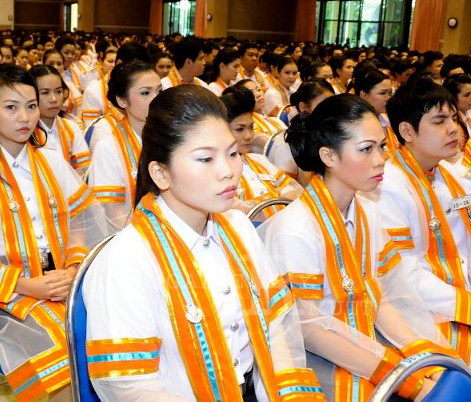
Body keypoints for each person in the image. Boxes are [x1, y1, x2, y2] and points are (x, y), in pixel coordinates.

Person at [84, 84, 324, 401]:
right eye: (205, 159)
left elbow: (275, 322)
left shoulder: (238, 226)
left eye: (233, 154)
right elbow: (130, 386)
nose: (228, 171)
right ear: (160, 173)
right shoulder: (125, 259)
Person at [0, 64, 108, 400]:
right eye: (11, 107)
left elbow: (82, 220)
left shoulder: (52, 161)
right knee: (64, 351)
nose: (24, 117)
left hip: (61, 281)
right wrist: (25, 284)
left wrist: (73, 268)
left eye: (30, 105)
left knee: (115, 335)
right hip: (4, 296)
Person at [262, 93, 453, 401]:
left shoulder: (366, 211)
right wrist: (403, 377)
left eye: (381, 146)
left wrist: (422, 357)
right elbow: (309, 330)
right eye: (365, 149)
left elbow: (382, 297)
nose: (380, 159)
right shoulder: (295, 230)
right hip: (321, 363)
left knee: (448, 374)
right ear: (329, 156)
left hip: (368, 345)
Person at [373, 78, 471, 363]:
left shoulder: (448, 174)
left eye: (453, 118)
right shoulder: (388, 186)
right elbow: (405, 278)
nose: (454, 128)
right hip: (425, 311)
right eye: (440, 121)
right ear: (407, 131)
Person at [87, 61, 163, 230]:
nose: (157, 98)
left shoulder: (174, 136)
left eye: (160, 90)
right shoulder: (108, 148)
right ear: (122, 101)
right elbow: (112, 215)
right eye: (145, 93)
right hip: (134, 238)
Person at [221, 86, 302, 220]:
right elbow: (242, 215)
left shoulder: (259, 160)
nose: (248, 136)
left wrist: (263, 204)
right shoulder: (218, 171)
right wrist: (278, 200)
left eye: (251, 127)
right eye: (239, 129)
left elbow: (295, 192)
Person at [29, 65, 91, 177]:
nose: (53, 99)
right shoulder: (24, 131)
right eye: (45, 93)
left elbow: (84, 172)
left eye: (58, 91)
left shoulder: (72, 128)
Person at [355, 67, 398, 153]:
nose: (388, 98)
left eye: (390, 93)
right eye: (382, 93)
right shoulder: (356, 126)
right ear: (364, 95)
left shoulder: (387, 120)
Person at [80, 44, 117, 127]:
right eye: (110, 61)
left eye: (116, 62)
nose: (113, 65)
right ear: (101, 61)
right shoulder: (92, 78)